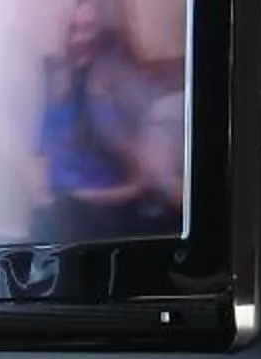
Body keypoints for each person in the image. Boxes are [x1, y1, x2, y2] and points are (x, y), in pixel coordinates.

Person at [30, 1, 178, 241]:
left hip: (105, 213)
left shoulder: (119, 89)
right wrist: (41, 192)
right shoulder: (57, 77)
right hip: (60, 211)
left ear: (106, 35)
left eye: (88, 29)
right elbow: (41, 151)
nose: (79, 39)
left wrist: (90, 198)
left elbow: (145, 179)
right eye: (74, 29)